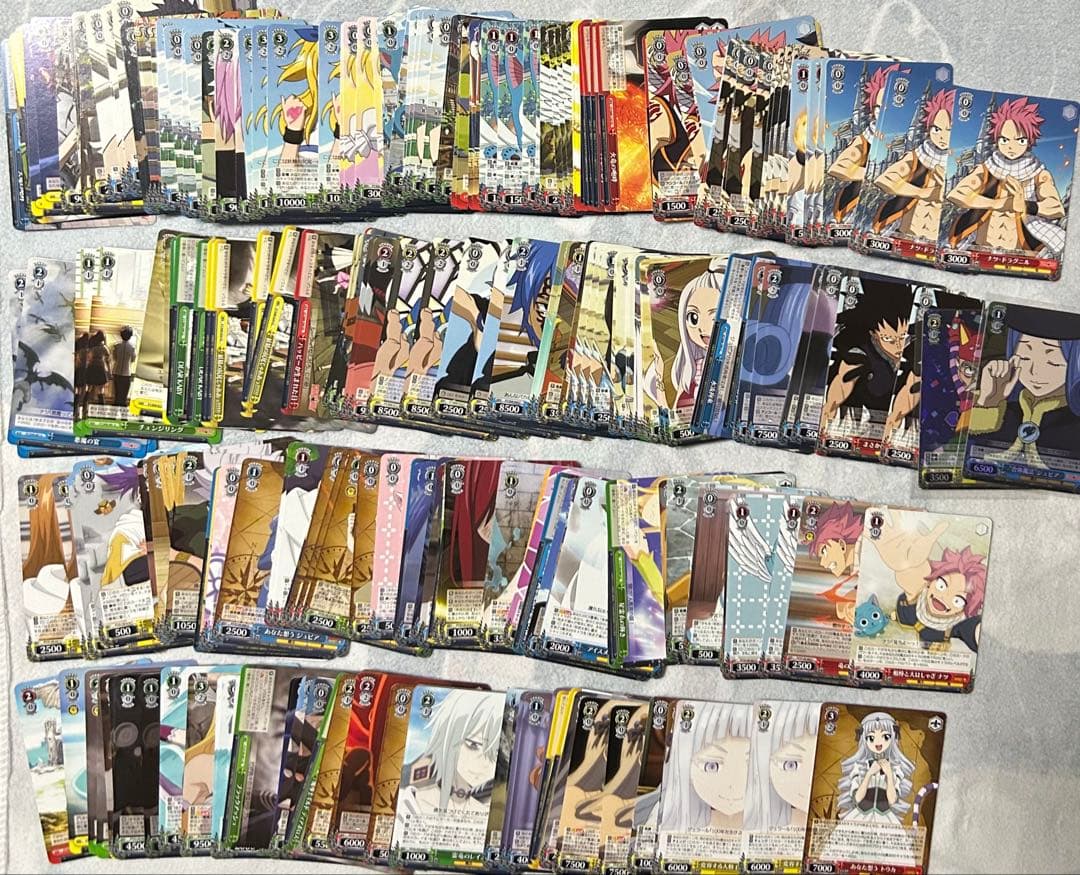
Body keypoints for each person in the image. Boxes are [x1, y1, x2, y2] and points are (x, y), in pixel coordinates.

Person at [84, 330, 110, 411]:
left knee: (88, 388)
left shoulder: (92, 347)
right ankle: (101, 409)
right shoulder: (104, 348)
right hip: (100, 368)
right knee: (101, 390)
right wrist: (109, 371)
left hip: (91, 367)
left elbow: (88, 358)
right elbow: (108, 358)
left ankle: (84, 407)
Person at [111, 326, 136, 408]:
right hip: (126, 373)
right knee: (124, 396)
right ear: (130, 336)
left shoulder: (116, 346)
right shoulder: (132, 347)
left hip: (116, 372)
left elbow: (114, 358)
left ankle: (114, 411)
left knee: (117, 394)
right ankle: (123, 412)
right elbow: (133, 359)